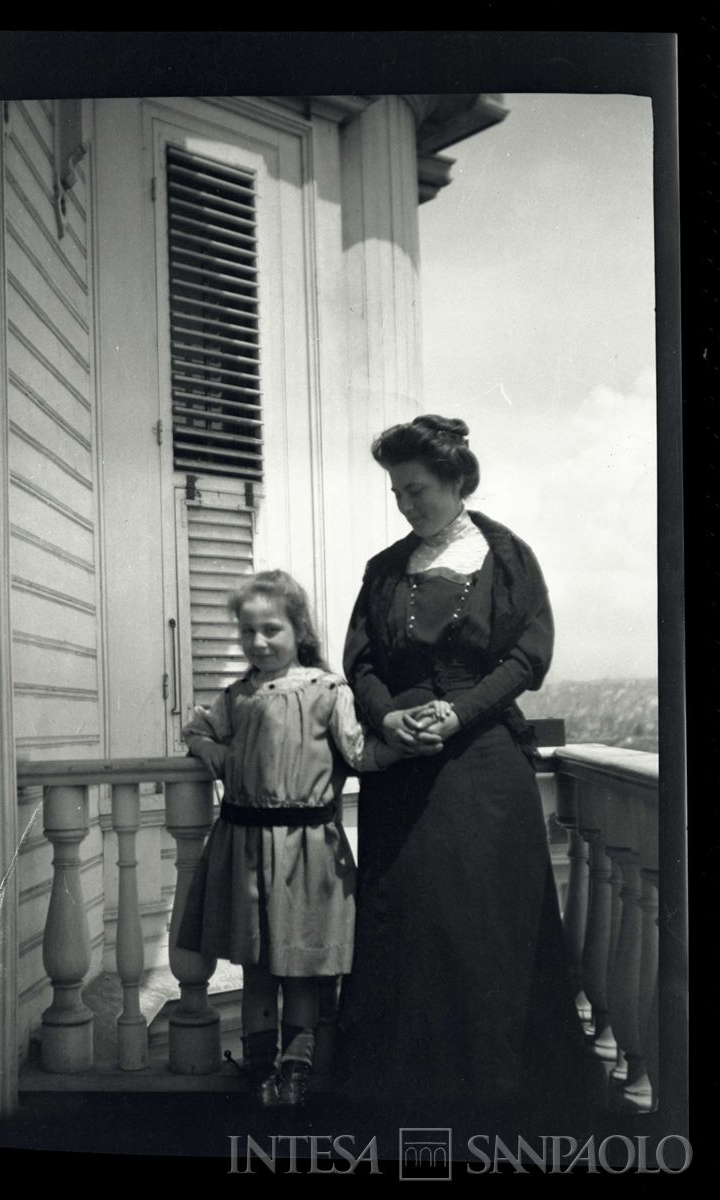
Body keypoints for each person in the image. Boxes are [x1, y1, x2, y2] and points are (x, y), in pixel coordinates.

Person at [336, 414, 587, 1122]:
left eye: (417, 490)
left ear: (455, 480)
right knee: (406, 928)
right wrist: (386, 717)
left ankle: (499, 1100)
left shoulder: (506, 556)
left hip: (481, 766)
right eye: (397, 495)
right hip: (401, 767)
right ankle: (403, 1103)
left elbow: (526, 657)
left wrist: (458, 713)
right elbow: (358, 661)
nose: (408, 505)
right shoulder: (385, 569)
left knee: (482, 931)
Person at [177, 569, 404, 1108]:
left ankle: (295, 1073)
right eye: (247, 632)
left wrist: (404, 747)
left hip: (307, 851)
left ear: (298, 630)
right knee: (256, 967)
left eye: (271, 630)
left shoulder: (329, 691)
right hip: (244, 849)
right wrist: (207, 749)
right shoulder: (236, 697)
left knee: (301, 967)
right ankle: (258, 1072)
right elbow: (198, 729)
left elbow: (360, 752)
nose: (258, 642)